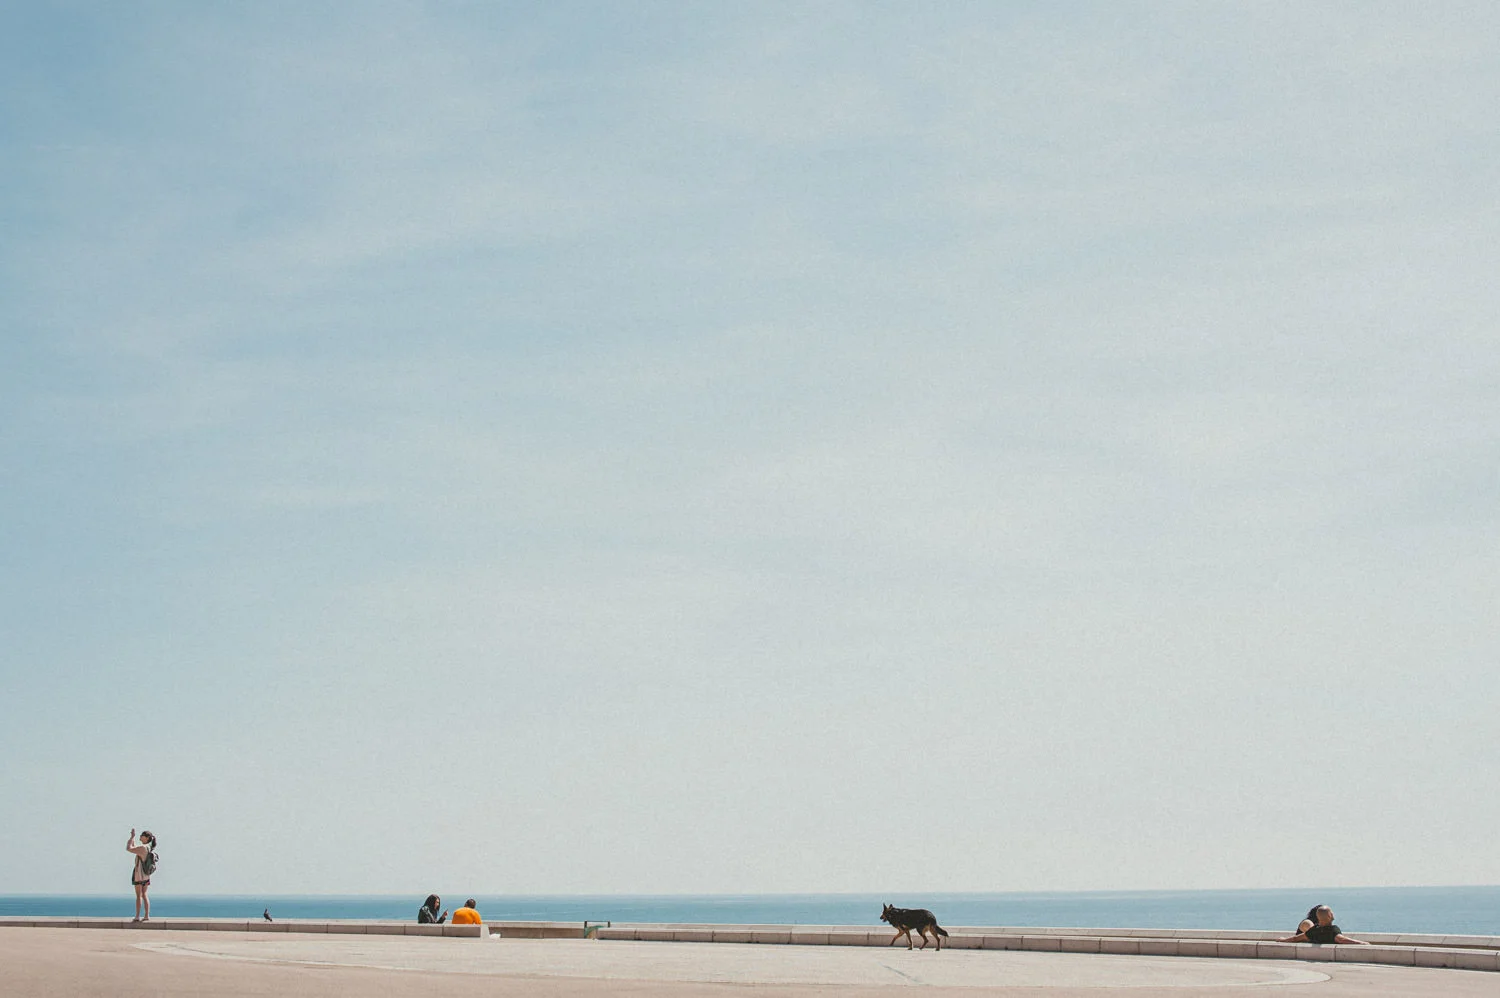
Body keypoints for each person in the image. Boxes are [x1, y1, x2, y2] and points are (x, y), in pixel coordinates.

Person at [1279, 905, 1368, 944]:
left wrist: (1282, 940)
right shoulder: (1333, 930)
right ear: (1330, 916)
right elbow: (1341, 939)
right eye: (1331, 913)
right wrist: (1362, 943)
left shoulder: (1313, 931)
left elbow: (1296, 938)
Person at [127, 829, 157, 922]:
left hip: (139, 875)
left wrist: (132, 837)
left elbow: (129, 848)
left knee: (138, 896)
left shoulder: (143, 848)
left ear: (147, 838)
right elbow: (135, 848)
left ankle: (137, 916)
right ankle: (147, 915)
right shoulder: (149, 848)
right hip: (146, 875)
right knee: (144, 894)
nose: (140, 837)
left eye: (142, 835)